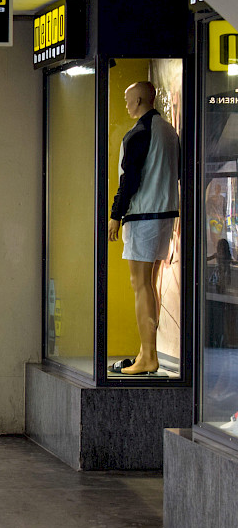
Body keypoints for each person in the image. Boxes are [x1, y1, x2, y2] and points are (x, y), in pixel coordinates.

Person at [107, 81, 180, 375]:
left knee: (140, 285)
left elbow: (130, 180)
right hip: (165, 214)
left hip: (143, 216)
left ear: (138, 100)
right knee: (149, 284)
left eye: (127, 99)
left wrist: (115, 214)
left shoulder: (139, 133)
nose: (126, 104)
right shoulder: (169, 131)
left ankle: (148, 356)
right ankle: (145, 350)